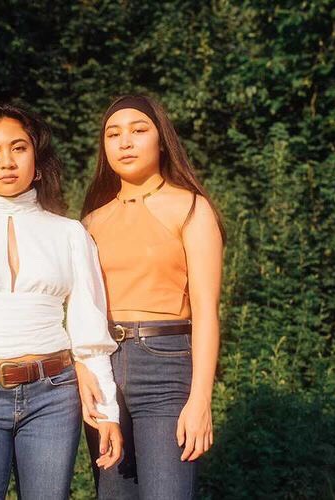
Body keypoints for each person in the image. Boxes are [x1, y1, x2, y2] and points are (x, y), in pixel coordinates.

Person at [0, 104, 123, 500]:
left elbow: (88, 329)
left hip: (53, 395)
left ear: (37, 158)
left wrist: (109, 412)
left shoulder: (69, 234)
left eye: (19, 148)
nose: (7, 162)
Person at [80, 95, 225, 499]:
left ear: (162, 140)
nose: (125, 141)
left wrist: (201, 399)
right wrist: (84, 372)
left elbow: (207, 314)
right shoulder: (90, 221)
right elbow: (77, 312)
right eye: (113, 133)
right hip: (103, 368)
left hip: (165, 365)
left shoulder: (192, 208)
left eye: (138, 130)